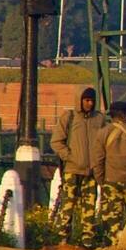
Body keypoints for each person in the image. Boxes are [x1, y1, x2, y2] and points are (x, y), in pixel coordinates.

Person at [90, 101, 126, 246]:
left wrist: (102, 181)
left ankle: (113, 248)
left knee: (112, 219)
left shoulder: (103, 133)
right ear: (125, 115)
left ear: (112, 115)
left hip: (111, 181)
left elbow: (97, 160)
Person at [50, 87, 107, 218]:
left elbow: (105, 143)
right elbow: (56, 142)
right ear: (79, 100)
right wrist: (70, 157)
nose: (90, 103)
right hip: (72, 171)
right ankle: (62, 232)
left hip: (91, 172)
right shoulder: (69, 117)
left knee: (89, 213)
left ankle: (87, 232)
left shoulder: (99, 119)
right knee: (67, 210)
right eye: (86, 100)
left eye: (92, 100)